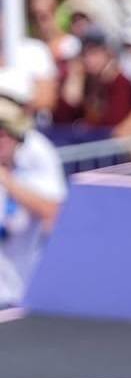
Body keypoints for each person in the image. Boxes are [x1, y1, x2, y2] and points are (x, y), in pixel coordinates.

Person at [0, 90, 66, 309]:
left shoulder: (32, 169)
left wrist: (7, 181)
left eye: (3, 134)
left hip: (22, 291)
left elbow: (54, 211)